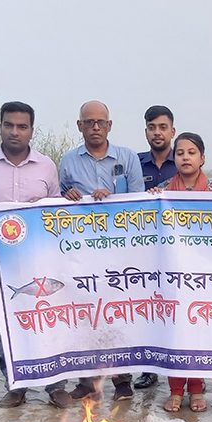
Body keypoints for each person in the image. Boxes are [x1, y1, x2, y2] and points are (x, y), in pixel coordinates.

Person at [0, 101, 71, 410]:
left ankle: (55, 385)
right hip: (2, 265)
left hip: (42, 262)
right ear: (1, 126)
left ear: (31, 130)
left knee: (50, 320)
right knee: (7, 323)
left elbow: (58, 212)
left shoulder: (47, 165)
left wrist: (44, 206)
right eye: (9, 125)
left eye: (22, 126)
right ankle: (16, 386)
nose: (15, 132)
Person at [60, 100, 144, 402]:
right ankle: (87, 381)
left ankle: (123, 380)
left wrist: (113, 196)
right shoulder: (68, 161)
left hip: (121, 250)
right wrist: (67, 196)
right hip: (83, 252)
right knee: (86, 314)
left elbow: (139, 202)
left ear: (109, 126)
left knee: (121, 314)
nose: (95, 127)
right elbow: (59, 203)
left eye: (101, 122)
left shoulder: (128, 157)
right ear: (79, 125)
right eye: (89, 122)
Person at [147, 132, 212, 412]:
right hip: (172, 275)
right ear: (174, 158)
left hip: (204, 275)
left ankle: (196, 388)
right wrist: (151, 199)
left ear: (202, 158)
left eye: (192, 152)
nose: (185, 157)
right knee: (174, 330)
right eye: (180, 153)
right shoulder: (162, 191)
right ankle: (176, 389)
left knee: (198, 331)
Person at [134, 105, 178, 391]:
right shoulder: (134, 163)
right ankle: (149, 370)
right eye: (152, 127)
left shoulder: (186, 157)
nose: (157, 132)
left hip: (178, 252)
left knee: (178, 309)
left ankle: (186, 371)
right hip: (145, 252)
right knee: (148, 309)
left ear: (172, 131)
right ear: (146, 131)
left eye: (163, 127)